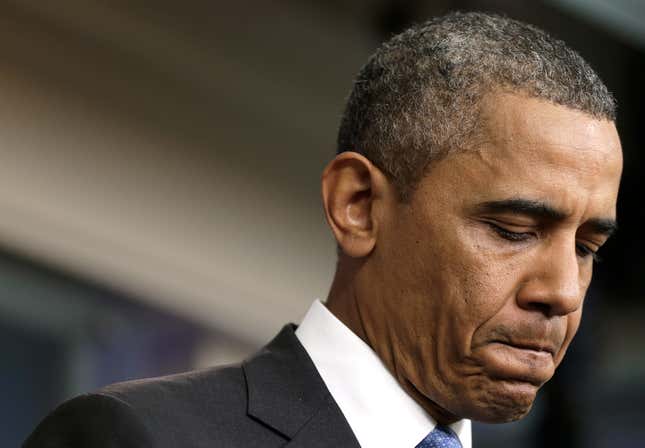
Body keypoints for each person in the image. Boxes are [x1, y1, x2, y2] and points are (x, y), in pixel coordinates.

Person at [24, 11, 622, 448]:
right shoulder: (140, 439)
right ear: (357, 205)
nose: (564, 292)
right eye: (513, 228)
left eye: (588, 247)